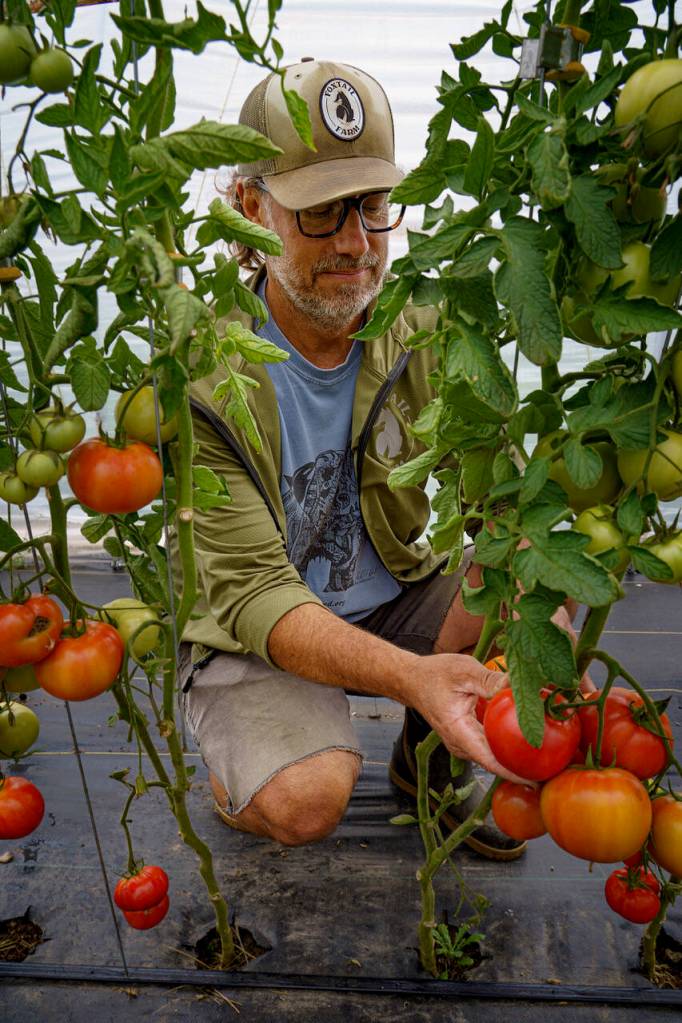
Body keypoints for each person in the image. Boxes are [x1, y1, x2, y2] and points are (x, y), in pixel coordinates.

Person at [177, 58, 578, 860]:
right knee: (306, 798)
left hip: (397, 589)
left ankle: (423, 762)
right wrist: (415, 677)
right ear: (251, 209)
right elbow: (257, 596)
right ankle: (244, 770)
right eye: (322, 213)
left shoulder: (427, 322)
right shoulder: (200, 374)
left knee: (538, 575)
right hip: (262, 630)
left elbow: (501, 499)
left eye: (371, 205)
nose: (356, 242)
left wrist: (549, 639)